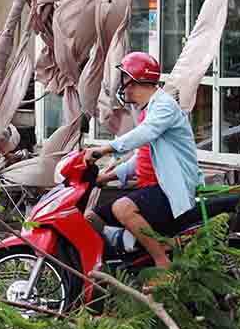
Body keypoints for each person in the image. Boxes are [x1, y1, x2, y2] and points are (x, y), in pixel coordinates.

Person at [83, 52, 202, 270]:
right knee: (91, 218)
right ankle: (117, 266)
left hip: (170, 190)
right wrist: (106, 176)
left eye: (125, 81)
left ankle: (161, 259)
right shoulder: (148, 110)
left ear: (136, 80)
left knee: (123, 208)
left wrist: (104, 149)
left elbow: (144, 135)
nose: (123, 87)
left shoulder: (164, 107)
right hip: (152, 189)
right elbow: (143, 157)